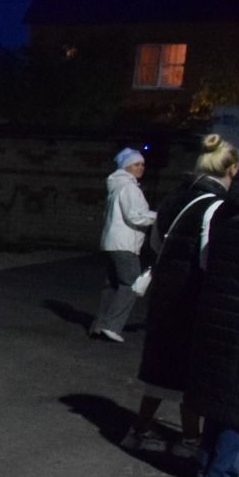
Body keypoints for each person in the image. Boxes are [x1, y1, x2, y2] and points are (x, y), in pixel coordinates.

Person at [124, 135, 239, 457]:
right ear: (230, 170)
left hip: (165, 290)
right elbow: (207, 258)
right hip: (191, 294)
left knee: (163, 365)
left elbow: (158, 244)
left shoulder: (178, 196)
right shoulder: (215, 206)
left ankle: (141, 429)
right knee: (189, 371)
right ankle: (189, 440)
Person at [187, 181, 239, 477]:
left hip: (216, 317)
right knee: (237, 403)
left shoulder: (223, 215)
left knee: (219, 397)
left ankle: (205, 465)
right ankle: (224, 474)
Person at [88, 147, 156, 343]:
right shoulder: (129, 188)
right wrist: (158, 217)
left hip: (111, 242)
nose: (140, 168)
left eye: (142, 164)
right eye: (136, 164)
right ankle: (112, 326)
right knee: (131, 284)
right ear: (126, 166)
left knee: (112, 286)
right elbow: (135, 215)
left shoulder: (116, 186)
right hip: (125, 243)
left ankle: (99, 325)